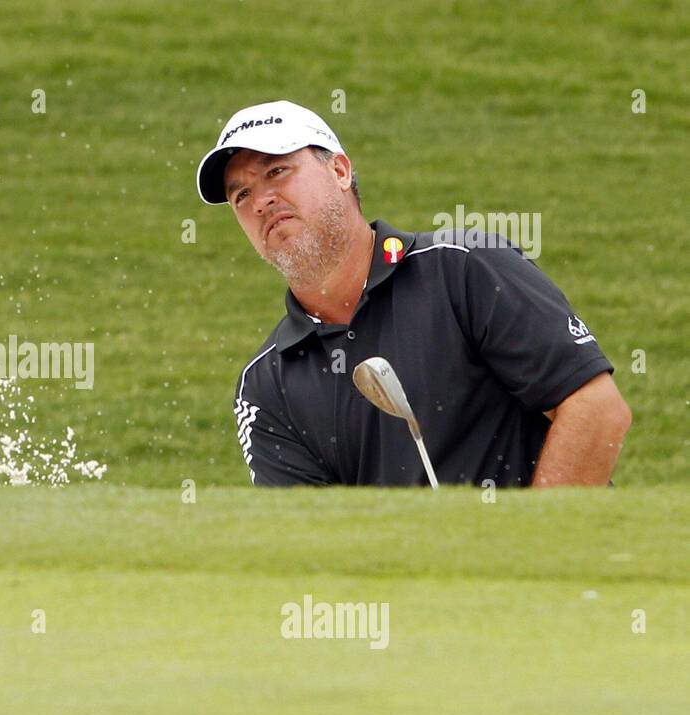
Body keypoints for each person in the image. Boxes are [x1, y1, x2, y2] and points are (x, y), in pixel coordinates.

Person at [196, 100, 631, 487]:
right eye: (242, 194)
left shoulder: (464, 267)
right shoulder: (265, 385)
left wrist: (521, 554)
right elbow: (307, 540)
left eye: (277, 171)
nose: (261, 201)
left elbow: (596, 411)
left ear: (340, 171)